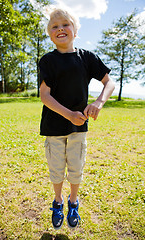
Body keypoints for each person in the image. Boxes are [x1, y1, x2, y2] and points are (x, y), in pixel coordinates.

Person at [39, 8, 115, 230]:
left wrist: (98, 102)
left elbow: (109, 83)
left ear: (75, 30)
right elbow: (45, 96)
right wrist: (68, 114)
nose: (60, 28)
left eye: (65, 24)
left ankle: (73, 202)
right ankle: (58, 201)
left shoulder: (87, 58)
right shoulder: (48, 61)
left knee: (76, 167)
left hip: (78, 127)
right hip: (54, 126)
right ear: (50, 34)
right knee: (56, 168)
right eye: (54, 26)